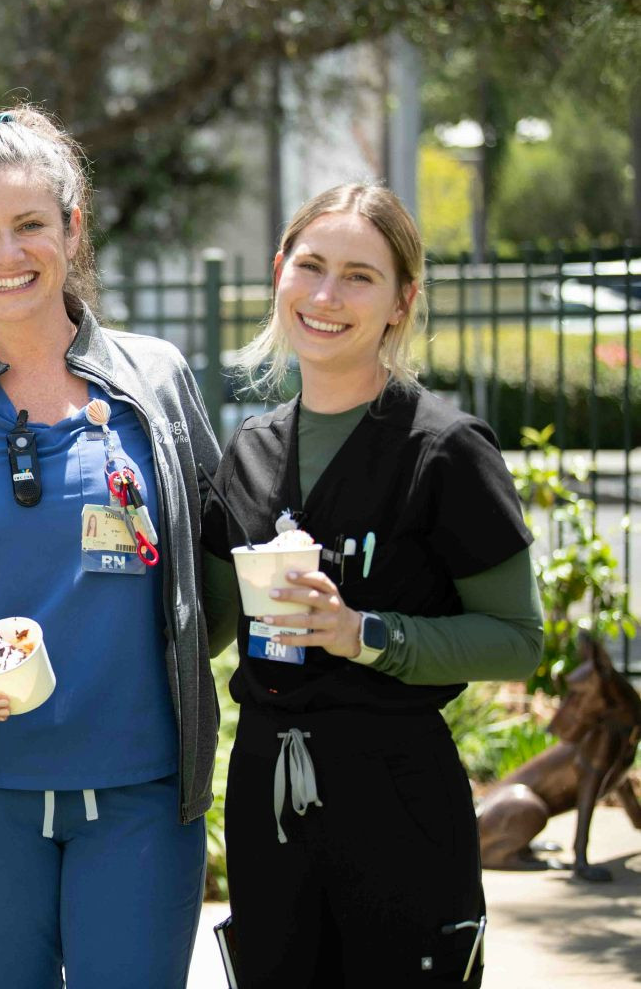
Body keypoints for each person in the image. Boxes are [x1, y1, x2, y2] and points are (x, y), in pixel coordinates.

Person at [0, 106, 231, 988]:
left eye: (30, 224)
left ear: (72, 227)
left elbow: (212, 566)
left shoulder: (156, 381)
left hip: (143, 795)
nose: (8, 253)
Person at [201, 183, 543, 987]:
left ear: (402, 301)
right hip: (266, 796)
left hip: (397, 796)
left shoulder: (445, 450)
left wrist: (366, 634)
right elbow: (206, 627)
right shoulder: (248, 450)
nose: (327, 296)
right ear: (279, 273)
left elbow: (517, 641)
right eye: (311, 266)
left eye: (360, 276)